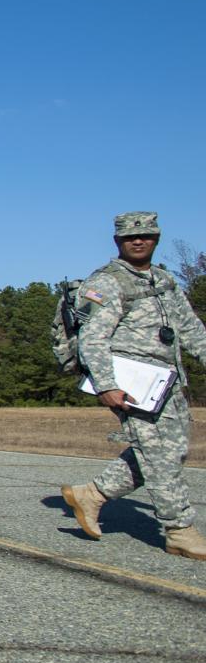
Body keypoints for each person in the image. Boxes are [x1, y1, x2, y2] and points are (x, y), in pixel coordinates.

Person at [60, 213, 206, 559]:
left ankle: (91, 494)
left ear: (156, 238)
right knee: (160, 455)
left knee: (169, 451)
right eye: (130, 238)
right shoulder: (107, 283)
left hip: (166, 382)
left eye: (145, 236)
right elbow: (92, 340)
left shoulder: (164, 281)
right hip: (131, 381)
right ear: (118, 242)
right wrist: (106, 384)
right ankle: (179, 530)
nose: (138, 241)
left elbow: (191, 330)